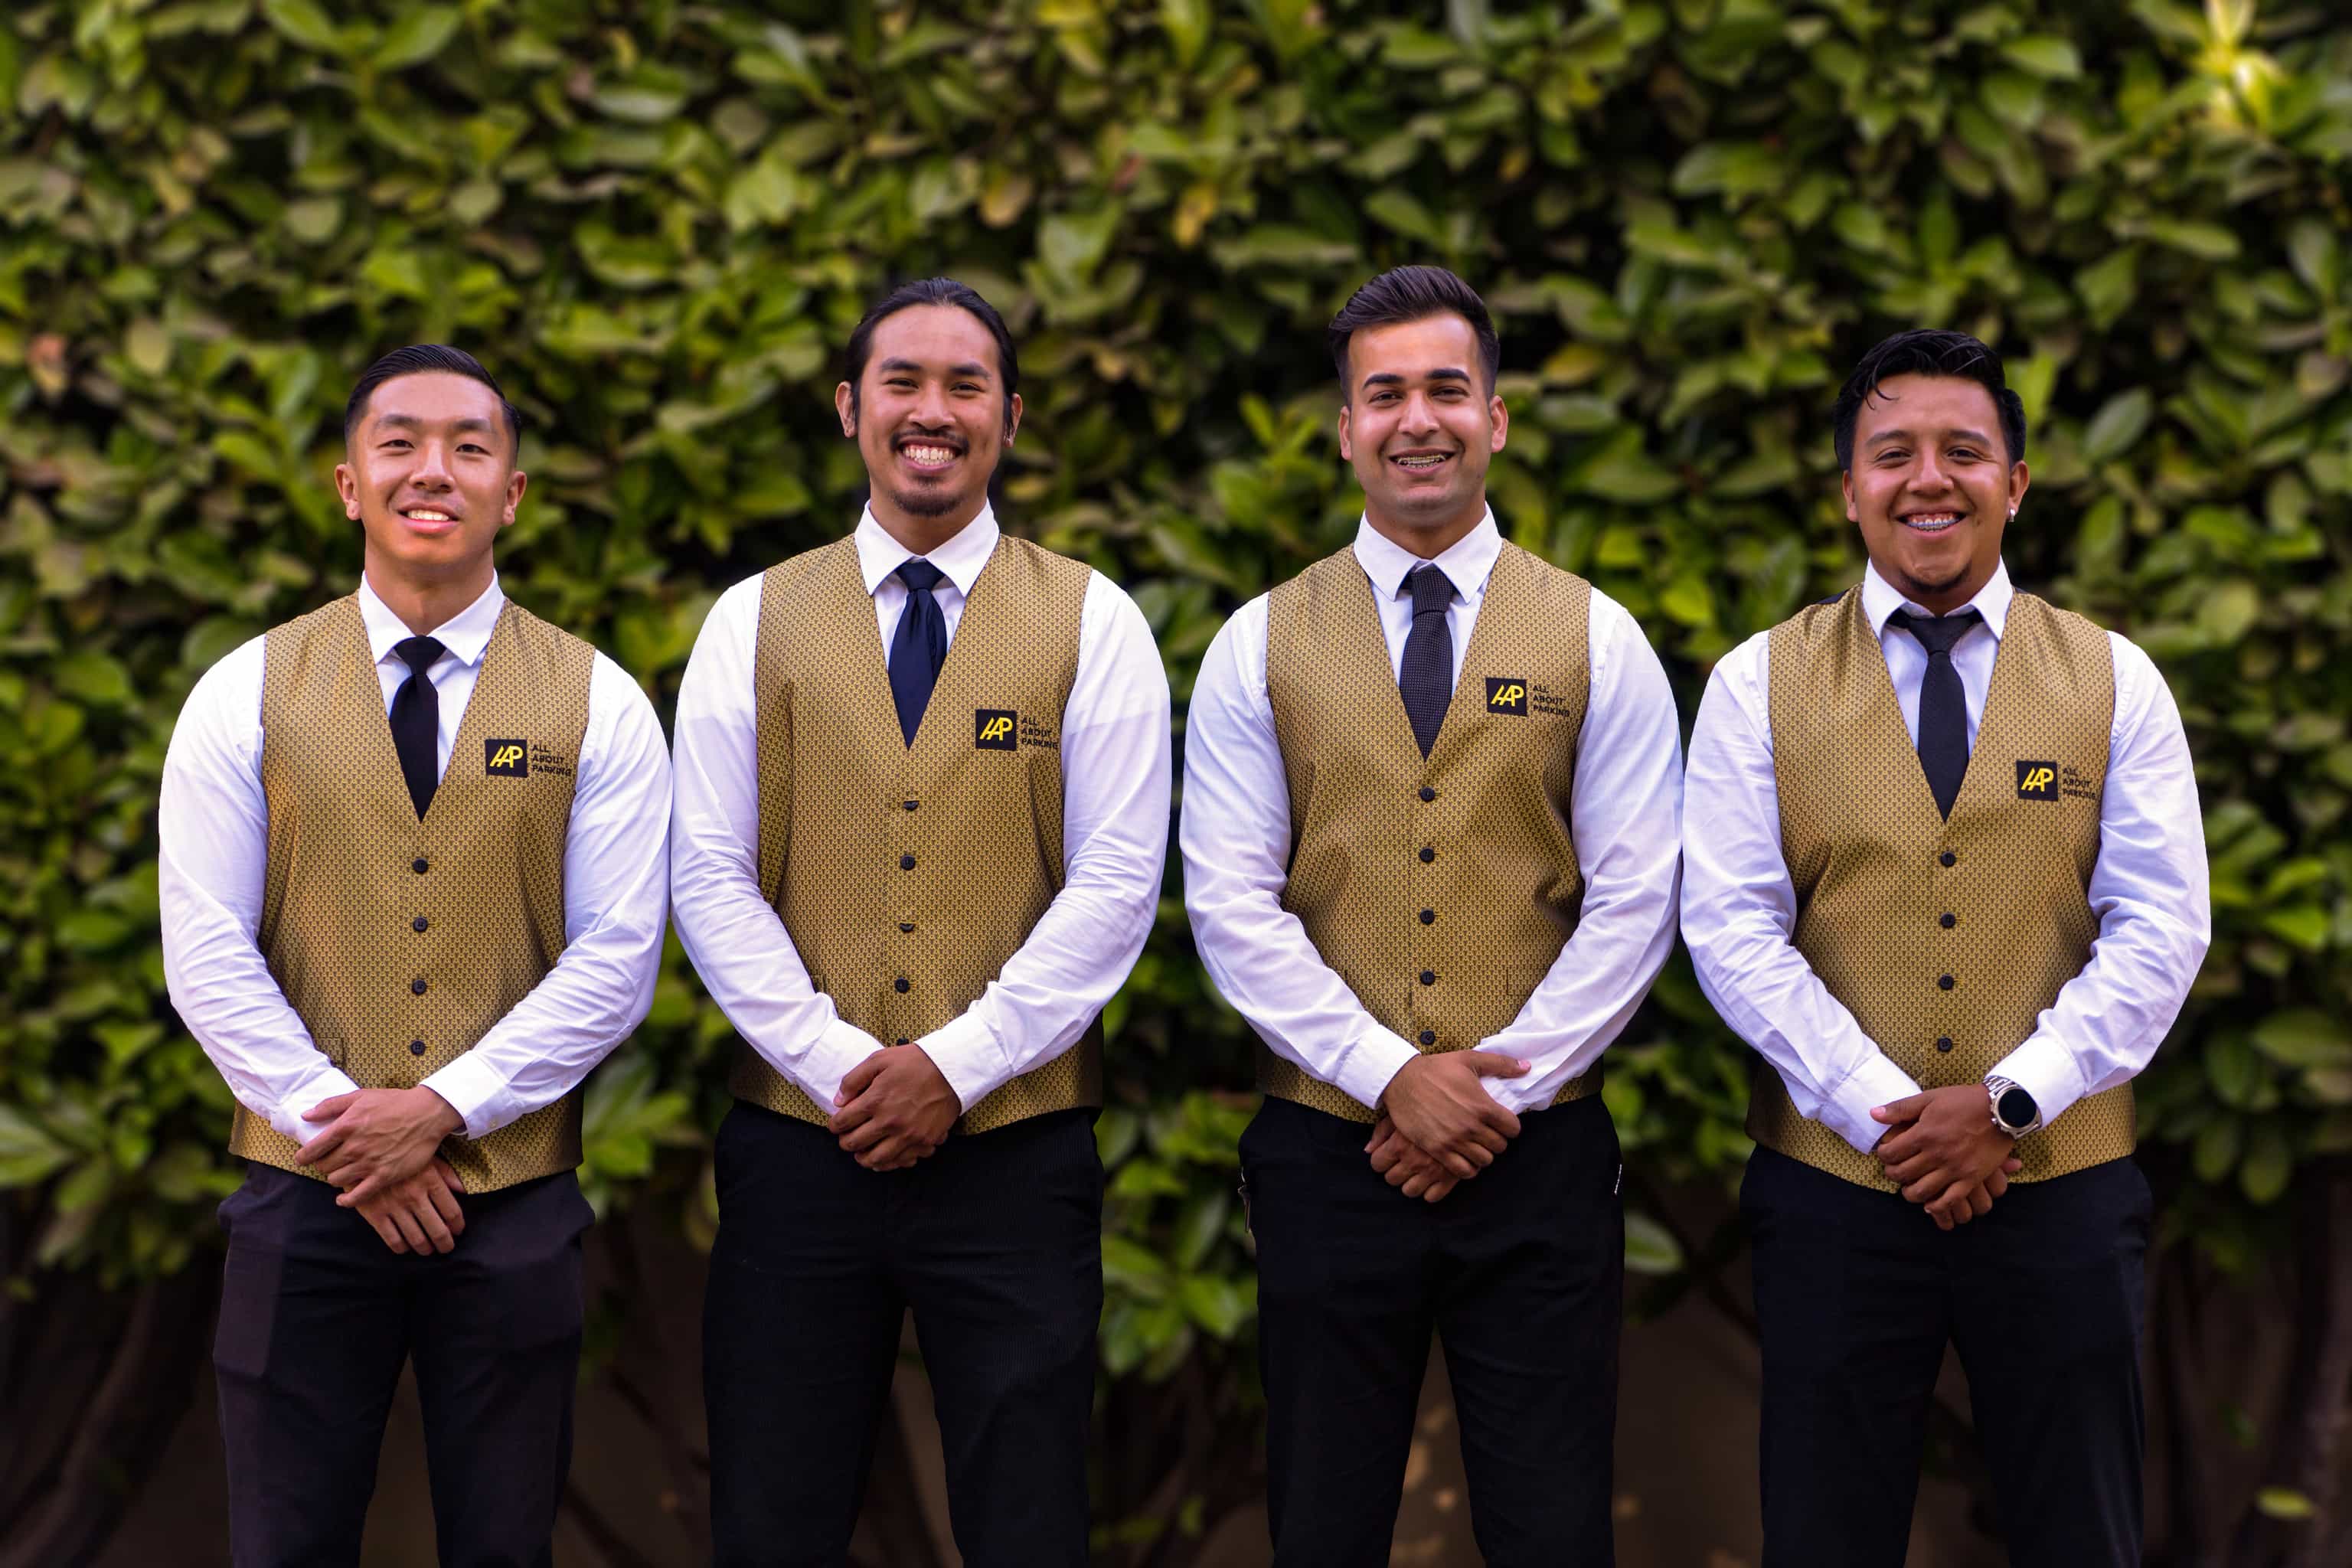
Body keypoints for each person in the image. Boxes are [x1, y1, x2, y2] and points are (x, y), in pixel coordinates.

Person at [1680, 328, 2210, 1566]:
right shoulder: (1756, 683)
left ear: (2014, 483)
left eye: (1964, 451)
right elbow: (1732, 927)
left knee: (2080, 1532)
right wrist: (1892, 1117)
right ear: (1849, 490)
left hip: (2065, 1189)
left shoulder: (2115, 679)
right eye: (1893, 454)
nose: (1930, 478)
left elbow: (2161, 922)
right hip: (1834, 1196)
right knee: (1824, 1533)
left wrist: (2011, 1102)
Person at [1181, 265, 1683, 1566]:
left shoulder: (1597, 636)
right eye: (1384, 393)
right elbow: (1232, 902)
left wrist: (1493, 1093)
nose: (1418, 420)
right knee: (1323, 1522)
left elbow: (1636, 899)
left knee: (1554, 1523)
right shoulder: (1257, 642)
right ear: (1345, 428)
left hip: (1543, 1159)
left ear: (1497, 420)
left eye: (1446, 390)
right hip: (1328, 1156)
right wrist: (1392, 1077)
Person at [670, 277, 1171, 1567]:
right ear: (852, 409)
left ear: (1010, 415)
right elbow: (712, 875)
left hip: (1016, 1148)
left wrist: (953, 1068)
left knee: (1028, 1517)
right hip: (799, 1147)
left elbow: (1114, 883)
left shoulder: (1094, 620)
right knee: (774, 1513)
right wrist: (847, 1068)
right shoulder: (754, 619)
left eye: (965, 385)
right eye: (902, 382)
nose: (931, 412)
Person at [159, 344, 672, 1566]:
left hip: (511, 1209)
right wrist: (350, 1131)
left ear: (514, 491)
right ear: (349, 484)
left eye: (468, 446)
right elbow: (208, 947)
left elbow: (615, 957)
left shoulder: (599, 700)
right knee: (286, 1546)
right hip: (301, 1197)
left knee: (504, 1547)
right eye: (399, 443)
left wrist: (440, 1110)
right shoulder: (244, 692)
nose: (431, 470)